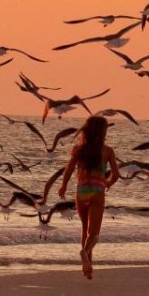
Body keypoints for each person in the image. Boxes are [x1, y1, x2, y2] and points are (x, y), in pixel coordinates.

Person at [58, 114, 120, 280]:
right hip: (97, 192)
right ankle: (85, 253)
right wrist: (107, 183)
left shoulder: (78, 149)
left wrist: (63, 186)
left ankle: (88, 268)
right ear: (102, 132)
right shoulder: (107, 151)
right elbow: (116, 175)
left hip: (81, 191)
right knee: (94, 234)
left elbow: (69, 170)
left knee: (85, 230)